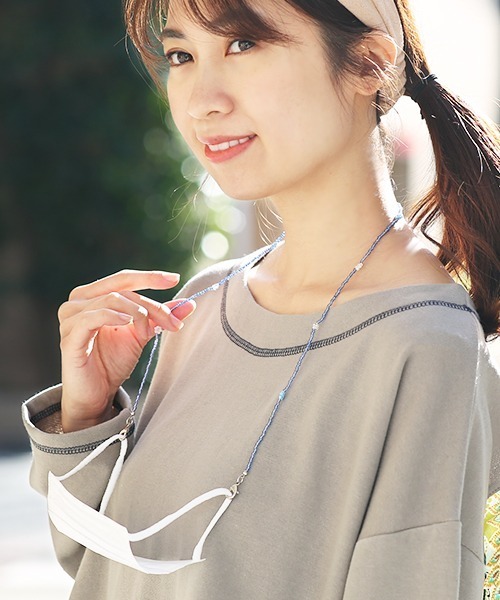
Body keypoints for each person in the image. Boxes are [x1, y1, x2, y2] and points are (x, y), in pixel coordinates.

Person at [22, 0, 500, 598]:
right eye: (181, 55)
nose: (202, 101)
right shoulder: (202, 305)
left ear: (369, 64)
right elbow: (102, 566)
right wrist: (85, 418)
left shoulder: (427, 346)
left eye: (243, 45)